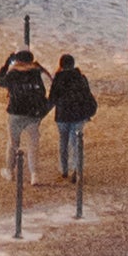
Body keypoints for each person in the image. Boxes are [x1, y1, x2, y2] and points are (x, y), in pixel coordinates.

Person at [0, 41, 49, 184]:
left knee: (13, 143)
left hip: (16, 112)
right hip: (33, 113)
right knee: (33, 145)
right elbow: (42, 91)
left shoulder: (13, 73)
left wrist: (6, 64)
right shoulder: (35, 72)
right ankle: (34, 175)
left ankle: (9, 171)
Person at [49, 51, 97, 182]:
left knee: (63, 142)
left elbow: (52, 98)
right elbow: (87, 95)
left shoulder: (58, 79)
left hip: (62, 115)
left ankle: (64, 169)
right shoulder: (81, 77)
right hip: (78, 114)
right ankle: (77, 169)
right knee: (76, 143)